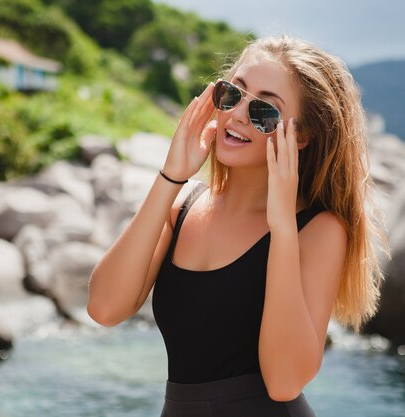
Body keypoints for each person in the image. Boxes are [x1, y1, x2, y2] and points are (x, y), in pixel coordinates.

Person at [87, 35, 389, 417]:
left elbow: (283, 383)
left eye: (264, 109)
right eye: (232, 93)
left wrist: (281, 228)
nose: (239, 114)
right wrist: (171, 177)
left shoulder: (318, 230)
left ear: (301, 136)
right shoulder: (182, 207)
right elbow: (104, 308)